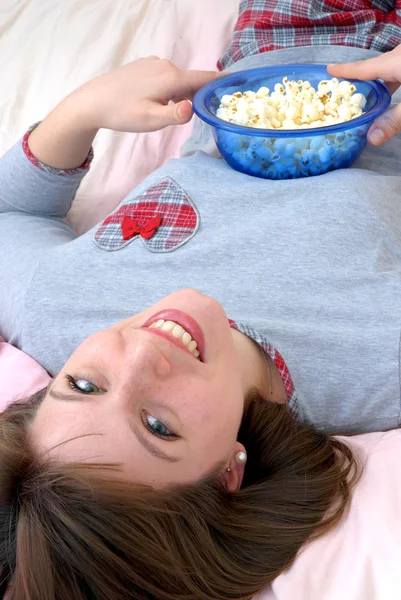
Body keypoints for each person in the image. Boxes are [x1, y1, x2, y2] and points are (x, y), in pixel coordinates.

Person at [1, 4, 401, 597]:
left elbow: (11, 214)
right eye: (158, 426)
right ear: (227, 475)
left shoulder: (57, 309)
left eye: (84, 385)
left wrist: (82, 111)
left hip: (279, 37)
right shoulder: (377, 365)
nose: (139, 354)